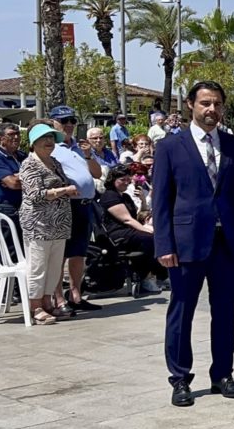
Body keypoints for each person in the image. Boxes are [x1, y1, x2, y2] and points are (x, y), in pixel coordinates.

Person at [153, 80, 234, 407]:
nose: (211, 110)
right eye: (205, 104)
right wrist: (163, 245)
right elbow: (161, 200)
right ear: (190, 105)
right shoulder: (171, 147)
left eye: (216, 104)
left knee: (225, 311)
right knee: (181, 312)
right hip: (186, 244)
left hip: (226, 242)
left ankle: (223, 374)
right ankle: (180, 378)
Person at [19, 123, 76, 325]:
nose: (49, 142)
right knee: (38, 266)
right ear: (34, 142)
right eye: (45, 139)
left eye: (52, 138)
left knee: (54, 267)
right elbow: (35, 195)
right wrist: (64, 191)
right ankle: (36, 307)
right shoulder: (29, 164)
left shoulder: (54, 162)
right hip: (39, 223)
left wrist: (69, 189)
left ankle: (48, 302)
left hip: (59, 223)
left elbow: (63, 183)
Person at [50, 107, 103, 313]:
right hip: (66, 205)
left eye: (72, 120)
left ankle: (75, 295)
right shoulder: (52, 147)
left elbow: (97, 174)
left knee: (79, 253)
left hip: (85, 205)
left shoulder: (80, 147)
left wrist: (88, 154)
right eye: (64, 121)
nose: (69, 125)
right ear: (54, 122)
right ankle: (57, 298)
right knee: (60, 254)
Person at [98, 165, 165, 292]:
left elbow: (138, 216)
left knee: (157, 236)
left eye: (128, 179)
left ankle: (160, 275)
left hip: (129, 230)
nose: (126, 182)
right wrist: (146, 230)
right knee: (149, 239)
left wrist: (143, 200)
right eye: (122, 179)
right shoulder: (110, 196)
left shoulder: (125, 197)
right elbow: (126, 219)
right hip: (116, 233)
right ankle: (145, 276)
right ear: (113, 179)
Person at [0, 123, 25, 254]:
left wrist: (19, 177)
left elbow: (40, 176)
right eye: (11, 135)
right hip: (7, 208)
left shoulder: (22, 156)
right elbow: (12, 183)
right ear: (0, 138)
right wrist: (15, 179)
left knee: (24, 248)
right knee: (11, 249)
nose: (16, 137)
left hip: (25, 207)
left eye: (17, 134)